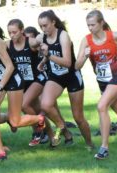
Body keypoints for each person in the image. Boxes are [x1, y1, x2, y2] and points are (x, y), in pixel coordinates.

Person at [0, 15, 45, 162]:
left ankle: (39, 118)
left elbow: (10, 67)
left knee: (15, 121)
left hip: (12, 78)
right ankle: (1, 152)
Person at [75, 10, 117, 159]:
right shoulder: (86, 40)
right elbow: (77, 66)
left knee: (101, 106)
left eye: (93, 25)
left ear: (101, 23)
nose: (90, 28)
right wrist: (85, 56)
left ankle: (104, 148)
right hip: (103, 83)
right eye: (88, 25)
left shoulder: (112, 36)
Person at [36, 10, 93, 148]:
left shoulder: (63, 36)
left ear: (53, 22)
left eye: (45, 25)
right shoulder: (41, 37)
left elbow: (67, 62)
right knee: (45, 104)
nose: (43, 29)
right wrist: (43, 61)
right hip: (56, 77)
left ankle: (90, 145)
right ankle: (62, 127)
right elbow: (38, 46)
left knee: (78, 117)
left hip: (72, 75)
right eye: (41, 26)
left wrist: (48, 56)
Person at [7, 19, 53, 147]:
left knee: (24, 105)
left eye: (14, 32)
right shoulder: (8, 45)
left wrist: (43, 59)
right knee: (38, 111)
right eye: (9, 33)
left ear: (22, 31)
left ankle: (38, 131)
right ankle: (53, 137)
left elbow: (44, 41)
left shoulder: (30, 42)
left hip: (38, 78)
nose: (12, 35)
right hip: (23, 82)